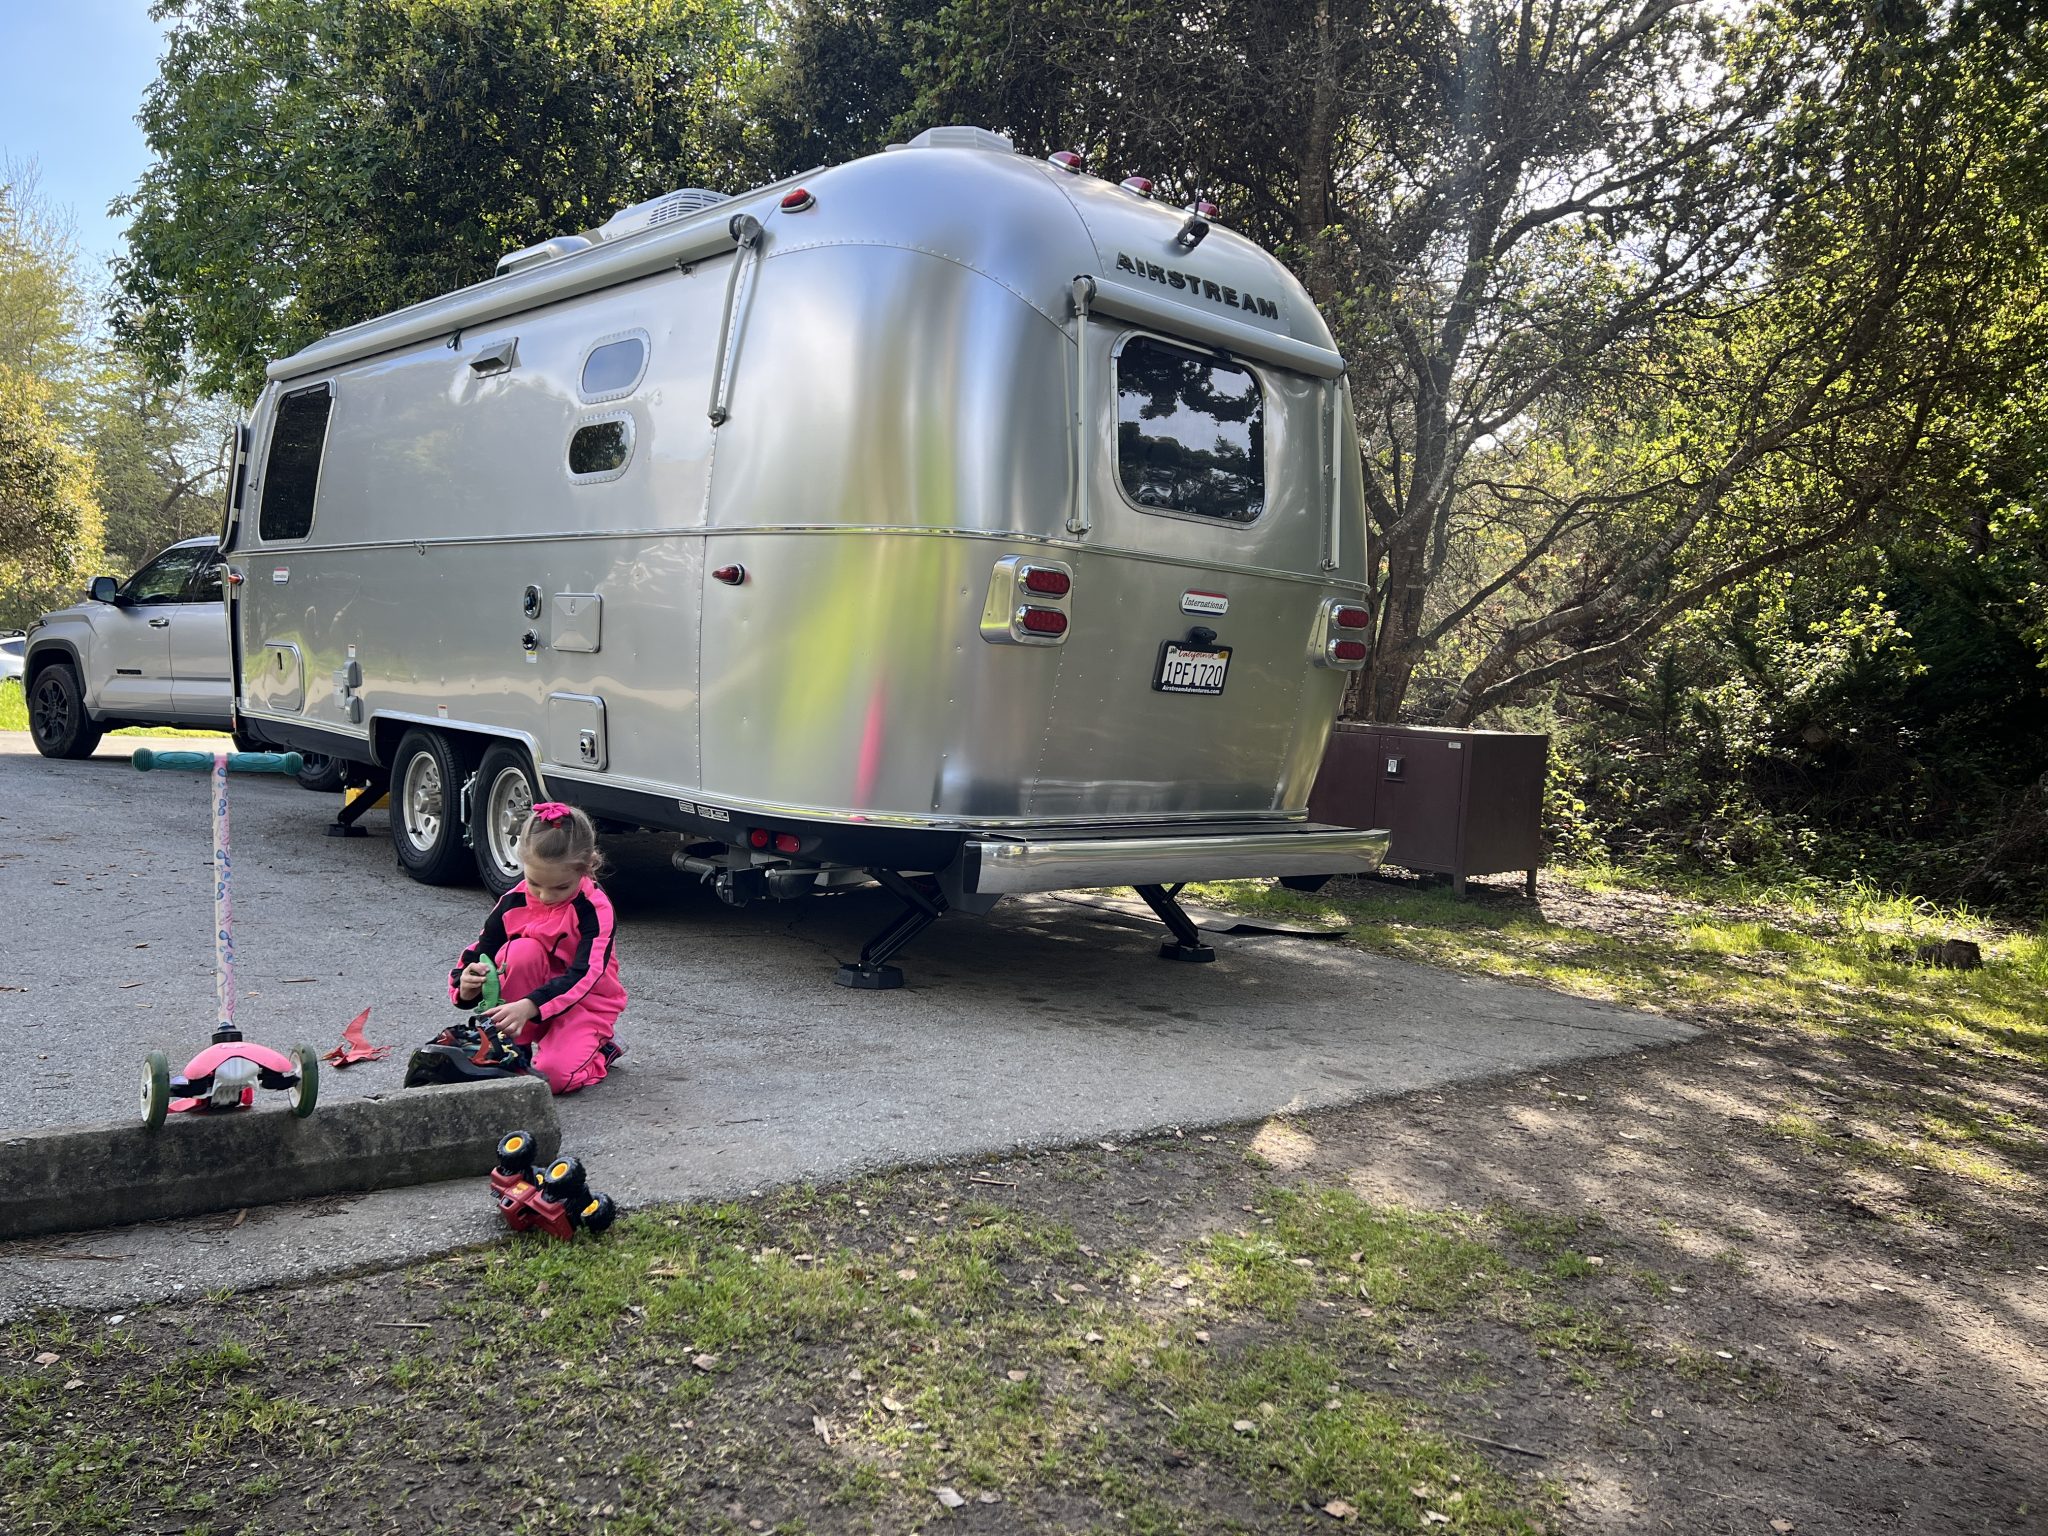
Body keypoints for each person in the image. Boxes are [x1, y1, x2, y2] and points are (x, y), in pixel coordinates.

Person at [448, 801, 626, 1093]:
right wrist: (465, 984)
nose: (545, 896)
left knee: (552, 1079)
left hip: (584, 1004)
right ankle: (516, 1047)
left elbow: (586, 974)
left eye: (560, 887)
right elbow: (480, 951)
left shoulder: (595, 909)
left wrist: (530, 1005)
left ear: (587, 868)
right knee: (521, 951)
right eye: (534, 883)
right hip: (527, 1003)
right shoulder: (513, 901)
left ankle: (601, 1050)